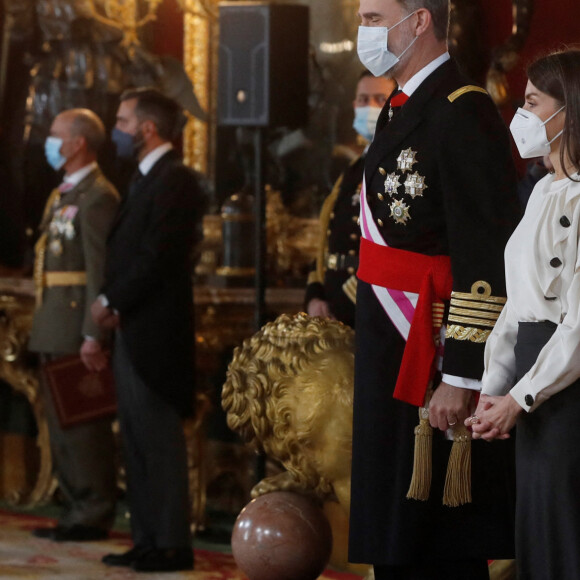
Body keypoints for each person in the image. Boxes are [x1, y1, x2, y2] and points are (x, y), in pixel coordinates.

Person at [349, 1, 520, 578]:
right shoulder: (399, 109)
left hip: (434, 346)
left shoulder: (462, 111)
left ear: (418, 21)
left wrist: (462, 373)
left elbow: (485, 251)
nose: (364, 31)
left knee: (436, 542)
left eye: (374, 18)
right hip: (392, 341)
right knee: (397, 532)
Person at [469, 49, 580, 580]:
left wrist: (521, 396)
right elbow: (517, 304)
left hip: (567, 386)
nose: (522, 114)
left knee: (565, 526)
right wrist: (495, 386)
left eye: (534, 102)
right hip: (530, 378)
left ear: (570, 112)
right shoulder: (540, 189)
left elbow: (579, 326)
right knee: (534, 524)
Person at [91, 88, 206, 573]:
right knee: (136, 443)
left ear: (147, 128)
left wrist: (112, 300)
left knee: (157, 441)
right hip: (133, 329)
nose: (115, 129)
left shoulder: (176, 179)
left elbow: (156, 255)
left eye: (121, 120)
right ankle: (147, 539)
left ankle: (171, 544)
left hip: (155, 335)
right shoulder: (143, 178)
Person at [28, 108, 119, 542]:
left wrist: (92, 332)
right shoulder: (63, 194)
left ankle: (94, 508)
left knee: (84, 426)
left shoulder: (98, 196)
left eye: (55, 134)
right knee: (62, 426)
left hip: (75, 326)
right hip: (52, 322)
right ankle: (74, 506)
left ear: (77, 142)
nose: (49, 141)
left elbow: (99, 273)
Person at [305, 71, 396, 328]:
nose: (370, 107)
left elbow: (395, 243)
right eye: (363, 99)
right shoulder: (354, 168)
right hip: (331, 305)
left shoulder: (395, 166)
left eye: (380, 98)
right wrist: (315, 294)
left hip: (370, 304)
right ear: (354, 105)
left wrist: (345, 301)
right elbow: (327, 241)